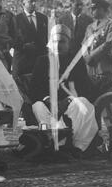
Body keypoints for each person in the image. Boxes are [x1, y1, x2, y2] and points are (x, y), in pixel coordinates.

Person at [29, 24, 99, 154]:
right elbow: (34, 89)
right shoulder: (42, 61)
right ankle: (55, 142)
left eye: (62, 41)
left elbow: (85, 88)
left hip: (70, 103)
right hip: (47, 105)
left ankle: (76, 145)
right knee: (37, 106)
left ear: (69, 44)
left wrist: (69, 100)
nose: (58, 45)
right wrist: (48, 100)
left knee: (83, 104)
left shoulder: (76, 62)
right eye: (55, 41)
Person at [12, 0, 48, 125]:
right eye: (30, 1)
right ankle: (28, 123)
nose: (33, 4)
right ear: (23, 4)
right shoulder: (16, 20)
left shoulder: (43, 18)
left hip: (38, 63)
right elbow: (11, 40)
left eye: (35, 1)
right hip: (22, 63)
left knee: (37, 93)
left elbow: (47, 40)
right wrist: (23, 46)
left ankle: (39, 122)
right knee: (23, 95)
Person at [83, 0, 112, 99]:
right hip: (89, 69)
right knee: (91, 98)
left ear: (103, 10)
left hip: (104, 67)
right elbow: (84, 45)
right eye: (91, 8)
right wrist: (86, 57)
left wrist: (92, 56)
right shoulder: (90, 27)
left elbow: (109, 43)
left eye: (95, 8)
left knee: (105, 98)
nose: (91, 11)